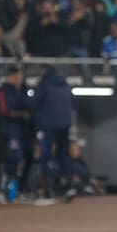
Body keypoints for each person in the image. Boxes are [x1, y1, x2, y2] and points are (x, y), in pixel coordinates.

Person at [29, 66, 74, 195]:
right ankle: (69, 184)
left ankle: (48, 187)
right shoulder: (66, 85)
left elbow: (33, 103)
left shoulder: (45, 85)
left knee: (46, 155)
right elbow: (75, 102)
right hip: (65, 125)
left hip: (48, 125)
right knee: (64, 155)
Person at [0, 66, 34, 202]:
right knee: (12, 159)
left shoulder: (24, 89)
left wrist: (20, 112)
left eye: (20, 77)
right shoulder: (2, 90)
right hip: (8, 130)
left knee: (30, 156)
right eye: (16, 77)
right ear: (9, 77)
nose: (19, 80)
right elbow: (6, 111)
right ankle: (3, 190)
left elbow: (31, 108)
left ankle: (21, 190)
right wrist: (22, 112)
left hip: (24, 130)